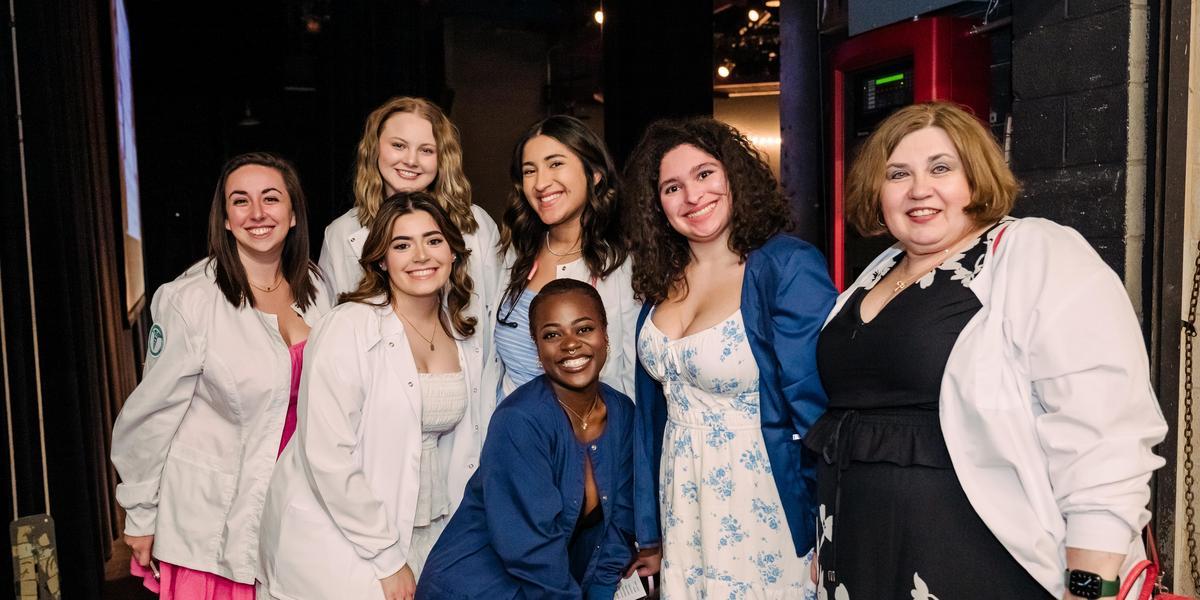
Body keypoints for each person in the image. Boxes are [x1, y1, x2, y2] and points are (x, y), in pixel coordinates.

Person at [805, 101, 1168, 599]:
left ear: (975, 178)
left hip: (976, 564)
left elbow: (1104, 425)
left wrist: (1091, 583)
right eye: (897, 174)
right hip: (858, 566)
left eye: (941, 168)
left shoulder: (1034, 251)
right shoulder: (876, 273)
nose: (919, 189)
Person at [624, 117, 837, 598]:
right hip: (681, 496)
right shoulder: (660, 279)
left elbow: (820, 407)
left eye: (704, 174)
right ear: (657, 205)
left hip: (761, 494)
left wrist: (829, 527)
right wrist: (649, 531)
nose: (691, 196)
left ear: (734, 175)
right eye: (672, 187)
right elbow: (651, 418)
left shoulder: (785, 266)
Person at [111, 152, 332, 598]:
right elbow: (149, 418)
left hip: (294, 513)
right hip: (212, 524)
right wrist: (140, 514)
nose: (256, 214)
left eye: (271, 199)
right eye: (240, 201)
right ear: (226, 219)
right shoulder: (190, 300)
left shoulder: (316, 286)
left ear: (293, 215)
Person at [257, 192, 487, 600]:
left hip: (432, 526)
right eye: (402, 245)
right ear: (381, 259)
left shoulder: (463, 332)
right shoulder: (348, 328)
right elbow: (327, 456)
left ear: (453, 251)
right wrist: (387, 559)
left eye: (433, 241)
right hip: (344, 538)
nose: (420, 255)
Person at [417, 279, 636, 600]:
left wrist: (602, 590)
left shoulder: (622, 413)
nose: (570, 344)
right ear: (537, 348)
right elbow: (530, 548)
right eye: (552, 334)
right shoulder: (519, 420)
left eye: (584, 329)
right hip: (474, 588)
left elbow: (617, 524)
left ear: (606, 335)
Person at [319, 97, 500, 399]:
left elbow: (495, 321)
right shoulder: (343, 234)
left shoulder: (475, 225)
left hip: (468, 401)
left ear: (443, 158)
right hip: (381, 405)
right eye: (399, 146)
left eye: (426, 150)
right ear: (375, 149)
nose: (411, 161)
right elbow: (333, 337)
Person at [488, 115, 638, 402]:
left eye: (555, 164)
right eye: (529, 171)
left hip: (585, 437)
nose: (541, 183)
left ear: (594, 173)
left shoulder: (623, 264)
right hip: (512, 432)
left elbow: (631, 379)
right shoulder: (516, 254)